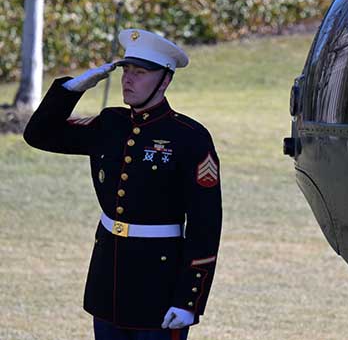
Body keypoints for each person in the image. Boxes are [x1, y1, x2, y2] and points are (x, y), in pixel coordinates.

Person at [23, 29, 222, 340]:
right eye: (126, 71)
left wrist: (189, 301)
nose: (128, 80)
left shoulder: (190, 137)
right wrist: (72, 89)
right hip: (108, 276)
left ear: (164, 80)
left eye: (140, 73)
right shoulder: (109, 123)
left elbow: (206, 226)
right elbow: (38, 135)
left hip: (159, 281)